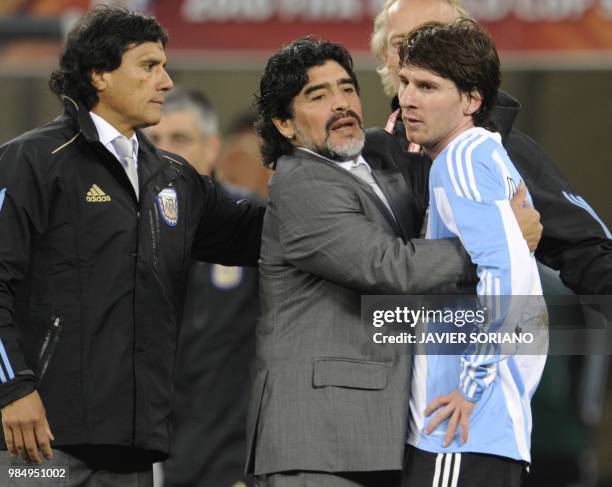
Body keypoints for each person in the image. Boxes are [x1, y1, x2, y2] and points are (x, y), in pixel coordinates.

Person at [246, 36, 539, 487]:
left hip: (378, 435)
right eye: (318, 96)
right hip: (320, 438)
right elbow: (387, 266)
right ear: (285, 124)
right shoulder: (301, 181)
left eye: (347, 89)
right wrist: (498, 244)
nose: (341, 104)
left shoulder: (377, 164)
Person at [0, 6, 263, 486]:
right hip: (41, 441)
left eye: (163, 66)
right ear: (99, 74)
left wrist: (330, 172)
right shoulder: (32, 160)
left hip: (134, 449)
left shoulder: (173, 177)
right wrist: (12, 389)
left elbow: (261, 234)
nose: (165, 81)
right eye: (148, 66)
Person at [371, 0, 612, 295]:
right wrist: (505, 240)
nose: (417, 51)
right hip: (383, 336)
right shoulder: (362, 156)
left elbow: (587, 251)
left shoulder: (505, 150)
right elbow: (365, 264)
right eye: (401, 43)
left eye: (434, 36)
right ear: (385, 56)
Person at [396, 19, 546, 486]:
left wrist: (471, 384)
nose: (407, 98)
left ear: (472, 100)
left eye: (427, 86)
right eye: (404, 82)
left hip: (459, 428)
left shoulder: (460, 158)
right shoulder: (488, 156)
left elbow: (506, 274)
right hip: (488, 427)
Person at [144, 90, 262, 487]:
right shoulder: (121, 230)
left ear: (212, 149)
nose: (164, 153)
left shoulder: (253, 226)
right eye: (153, 142)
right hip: (145, 456)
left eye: (179, 140)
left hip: (231, 461)